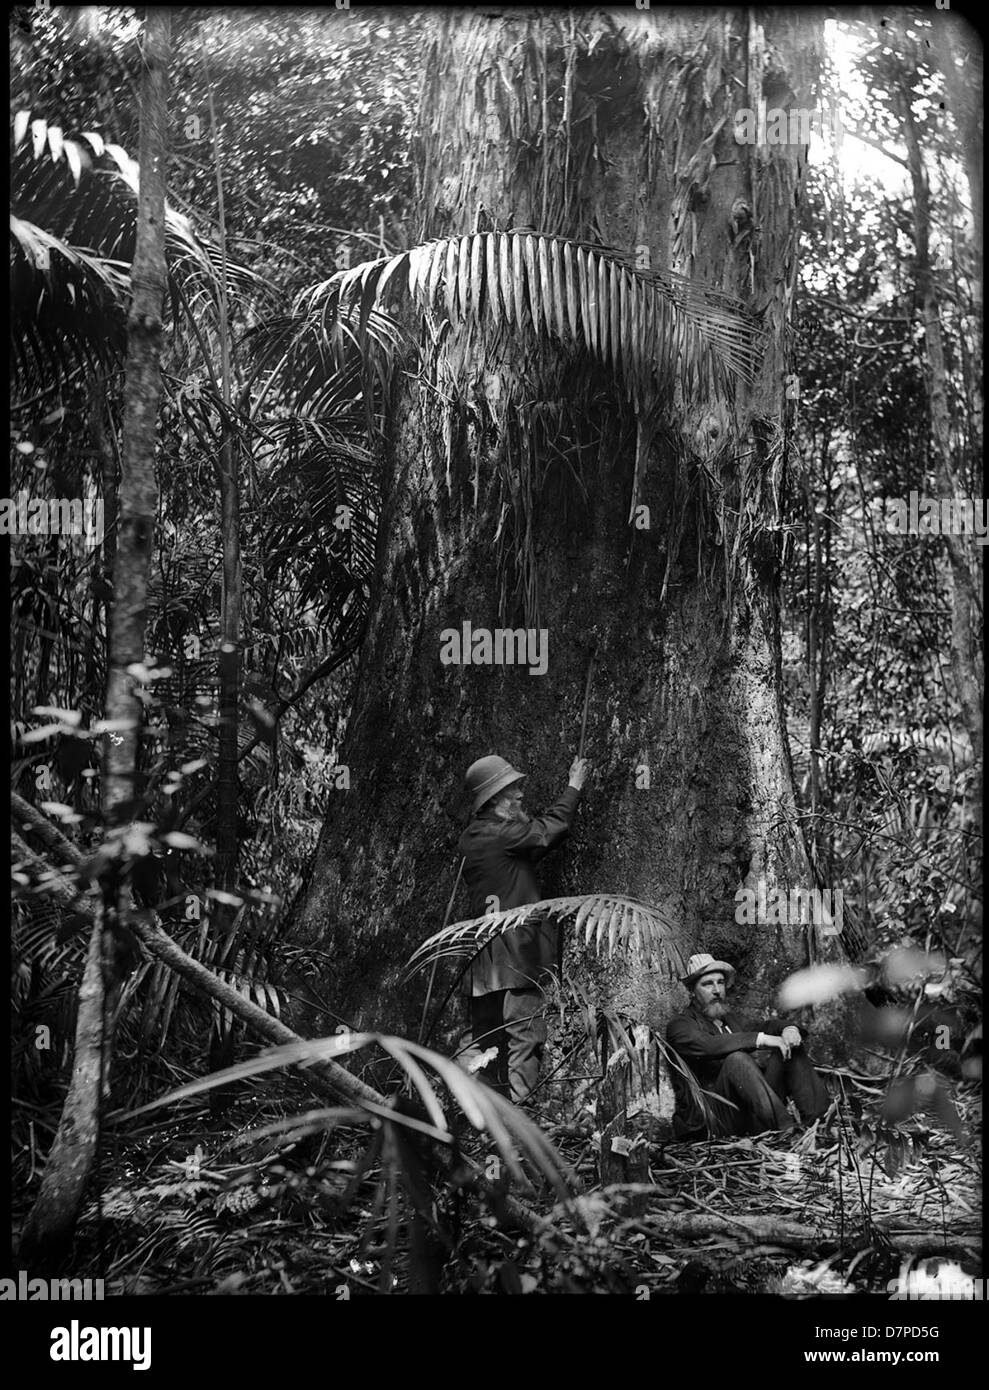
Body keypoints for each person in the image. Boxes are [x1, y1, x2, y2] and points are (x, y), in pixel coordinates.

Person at [456, 753, 588, 1103]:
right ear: (495, 799)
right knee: (524, 1039)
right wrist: (574, 787)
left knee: (482, 1042)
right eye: (513, 790)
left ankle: (469, 1113)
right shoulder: (503, 834)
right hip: (516, 958)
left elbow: (522, 859)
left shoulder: (475, 837)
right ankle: (519, 1126)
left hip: (484, 966)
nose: (519, 795)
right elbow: (547, 832)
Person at [666, 953, 831, 1139]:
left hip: (752, 1115)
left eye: (720, 982)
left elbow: (769, 1026)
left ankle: (820, 1128)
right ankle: (788, 1132)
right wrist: (761, 1039)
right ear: (691, 991)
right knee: (737, 1060)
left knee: (790, 1045)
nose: (716, 990)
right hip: (715, 1121)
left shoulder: (732, 1021)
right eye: (707, 984)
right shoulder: (680, 1025)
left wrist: (789, 1030)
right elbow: (706, 1045)